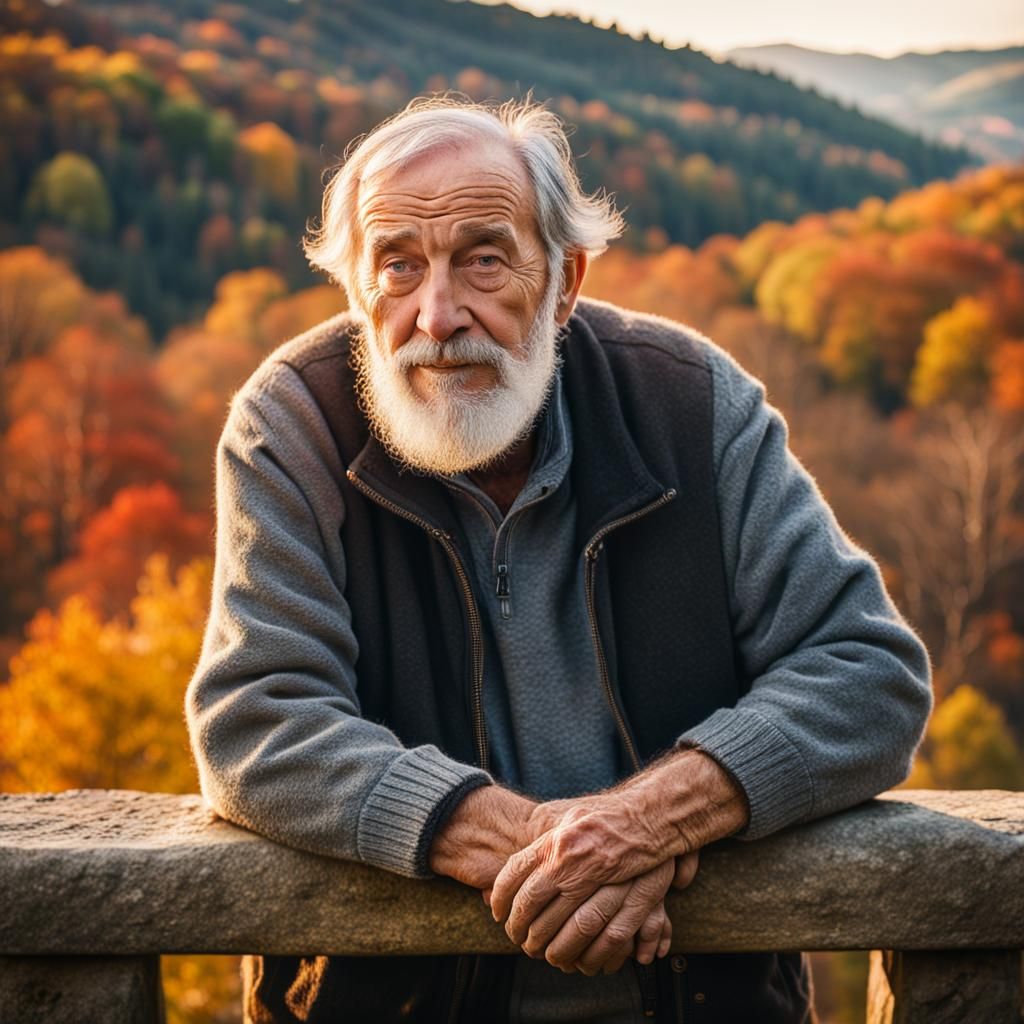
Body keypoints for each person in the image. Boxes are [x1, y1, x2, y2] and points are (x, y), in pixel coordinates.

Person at [185, 96, 932, 1024]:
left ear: (564, 280)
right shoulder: (291, 425)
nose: (438, 313)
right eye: (398, 265)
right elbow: (257, 719)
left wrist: (653, 818)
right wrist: (530, 841)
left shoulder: (691, 405)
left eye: (484, 258)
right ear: (355, 288)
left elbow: (870, 674)